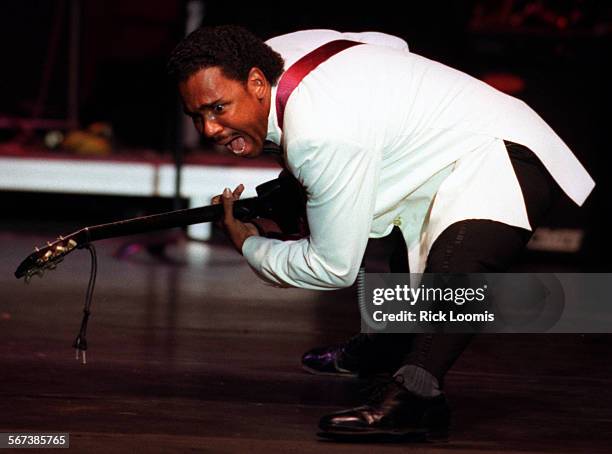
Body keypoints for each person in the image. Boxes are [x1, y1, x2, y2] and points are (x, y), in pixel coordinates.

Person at [167, 25, 594, 440]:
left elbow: (331, 267)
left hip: (505, 153)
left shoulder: (320, 134)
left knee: (454, 274)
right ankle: (383, 349)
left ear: (257, 83)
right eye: (197, 115)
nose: (208, 130)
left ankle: (417, 398)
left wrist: (249, 243)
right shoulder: (270, 54)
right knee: (399, 229)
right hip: (454, 148)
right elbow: (389, 44)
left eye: (219, 109)